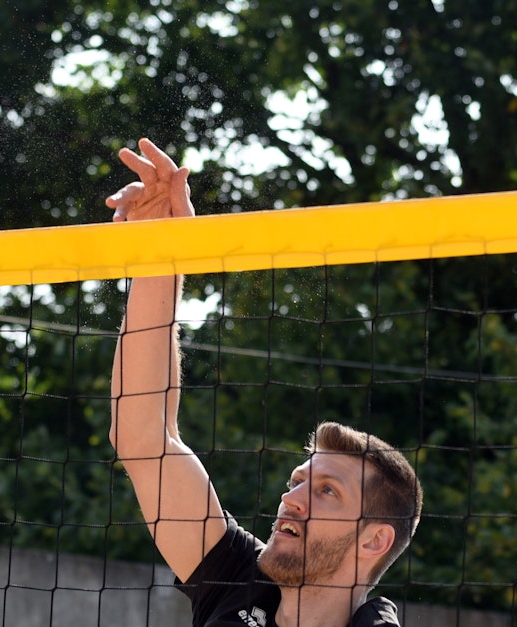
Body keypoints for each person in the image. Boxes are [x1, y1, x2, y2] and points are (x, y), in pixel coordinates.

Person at [105, 138, 424, 627]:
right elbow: (143, 438)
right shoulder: (237, 578)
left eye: (327, 492)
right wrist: (160, 253)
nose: (291, 499)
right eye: (298, 481)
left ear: (373, 540)